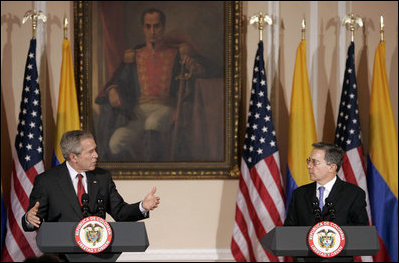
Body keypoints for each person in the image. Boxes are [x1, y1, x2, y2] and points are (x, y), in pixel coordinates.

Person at [95, 8, 207, 162]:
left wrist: (193, 67)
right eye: (148, 26)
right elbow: (117, 79)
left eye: (157, 26)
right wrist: (113, 90)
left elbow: (202, 70)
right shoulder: (135, 54)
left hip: (166, 109)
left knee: (152, 123)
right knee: (115, 142)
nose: (153, 31)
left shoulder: (177, 53)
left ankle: (153, 170)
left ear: (163, 26)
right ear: (143, 28)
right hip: (138, 112)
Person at [22, 130, 160, 231]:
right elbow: (34, 218)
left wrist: (142, 206)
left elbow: (120, 212)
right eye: (90, 152)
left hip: (97, 252)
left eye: (95, 150)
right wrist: (29, 219)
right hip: (61, 255)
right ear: (73, 157)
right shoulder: (47, 181)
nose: (96, 155)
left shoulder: (102, 178)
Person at [284, 142, 369, 227]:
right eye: (309, 161)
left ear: (331, 167)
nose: (309, 166)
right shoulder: (299, 194)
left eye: (315, 162)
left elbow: (361, 232)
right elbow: (288, 231)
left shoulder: (354, 194)